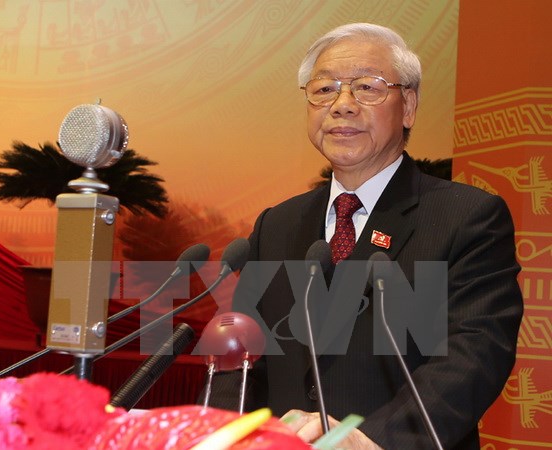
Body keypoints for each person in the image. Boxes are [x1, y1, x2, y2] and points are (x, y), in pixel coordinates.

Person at [205, 23, 523, 449]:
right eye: (324, 89)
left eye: (366, 88)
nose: (342, 105)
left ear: (408, 106)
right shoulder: (276, 225)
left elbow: (474, 354)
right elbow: (240, 358)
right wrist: (228, 436)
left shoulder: (466, 217)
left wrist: (367, 440)